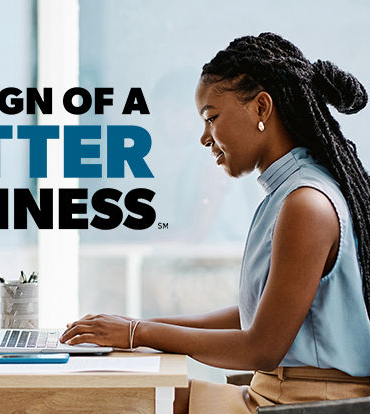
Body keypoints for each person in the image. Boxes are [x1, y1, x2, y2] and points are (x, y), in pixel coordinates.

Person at [60, 32, 370, 413]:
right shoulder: (288, 193)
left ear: (261, 108)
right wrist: (135, 326)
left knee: (128, 402)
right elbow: (250, 314)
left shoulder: (306, 204)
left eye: (212, 118)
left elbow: (262, 347)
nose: (205, 138)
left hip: (305, 404)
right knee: (131, 395)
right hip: (277, 395)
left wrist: (137, 333)